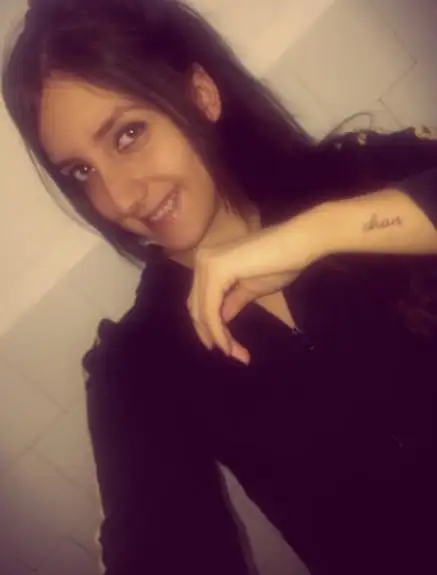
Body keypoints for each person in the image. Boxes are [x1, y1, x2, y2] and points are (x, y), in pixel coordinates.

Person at [3, 0, 437, 574]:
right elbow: (159, 544)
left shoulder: (358, 175)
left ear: (201, 96)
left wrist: (319, 234)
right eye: (81, 172)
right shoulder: (137, 365)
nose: (120, 198)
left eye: (128, 134)